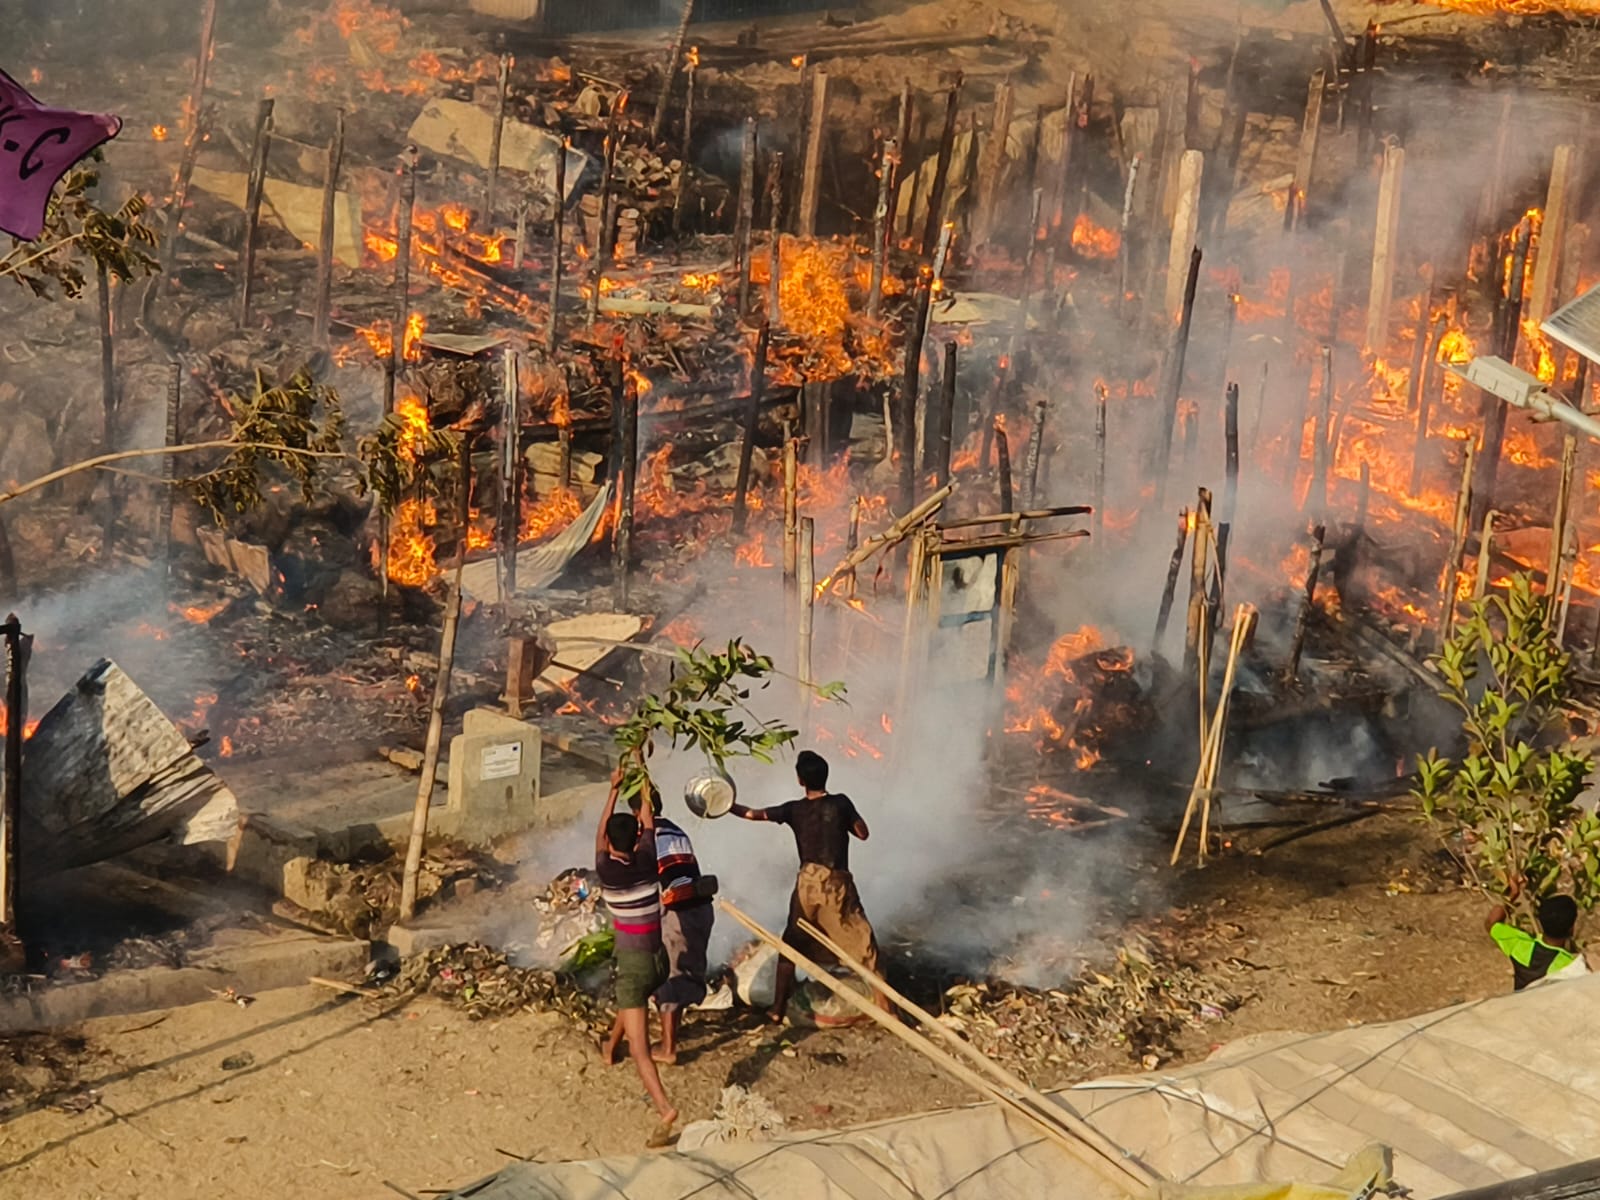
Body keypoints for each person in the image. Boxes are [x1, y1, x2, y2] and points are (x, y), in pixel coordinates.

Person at [730, 749, 894, 1023]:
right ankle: (888, 1011)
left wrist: (726, 805)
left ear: (800, 780)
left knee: (791, 944)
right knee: (864, 946)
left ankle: (777, 1009)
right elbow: (863, 833)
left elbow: (753, 814)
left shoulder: (794, 809)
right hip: (835, 884)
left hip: (807, 884)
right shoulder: (841, 803)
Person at [594, 765, 677, 1140]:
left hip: (633, 963)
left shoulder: (606, 869)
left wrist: (613, 789)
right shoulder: (648, 861)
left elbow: (600, 834)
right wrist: (644, 776)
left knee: (641, 1049)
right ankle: (608, 1050)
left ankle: (664, 1107)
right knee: (633, 1002)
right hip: (659, 960)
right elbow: (646, 819)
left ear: (612, 844)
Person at [628, 782, 714, 1065]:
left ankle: (668, 1049)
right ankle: (672, 1028)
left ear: (637, 813)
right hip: (701, 910)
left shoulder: (647, 838)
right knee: (687, 972)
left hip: (679, 913)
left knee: (669, 977)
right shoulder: (677, 830)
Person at [1485, 879, 1585, 991]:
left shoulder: (1520, 945)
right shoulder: (1569, 966)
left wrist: (1512, 894)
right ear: (1571, 929)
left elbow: (1491, 922)